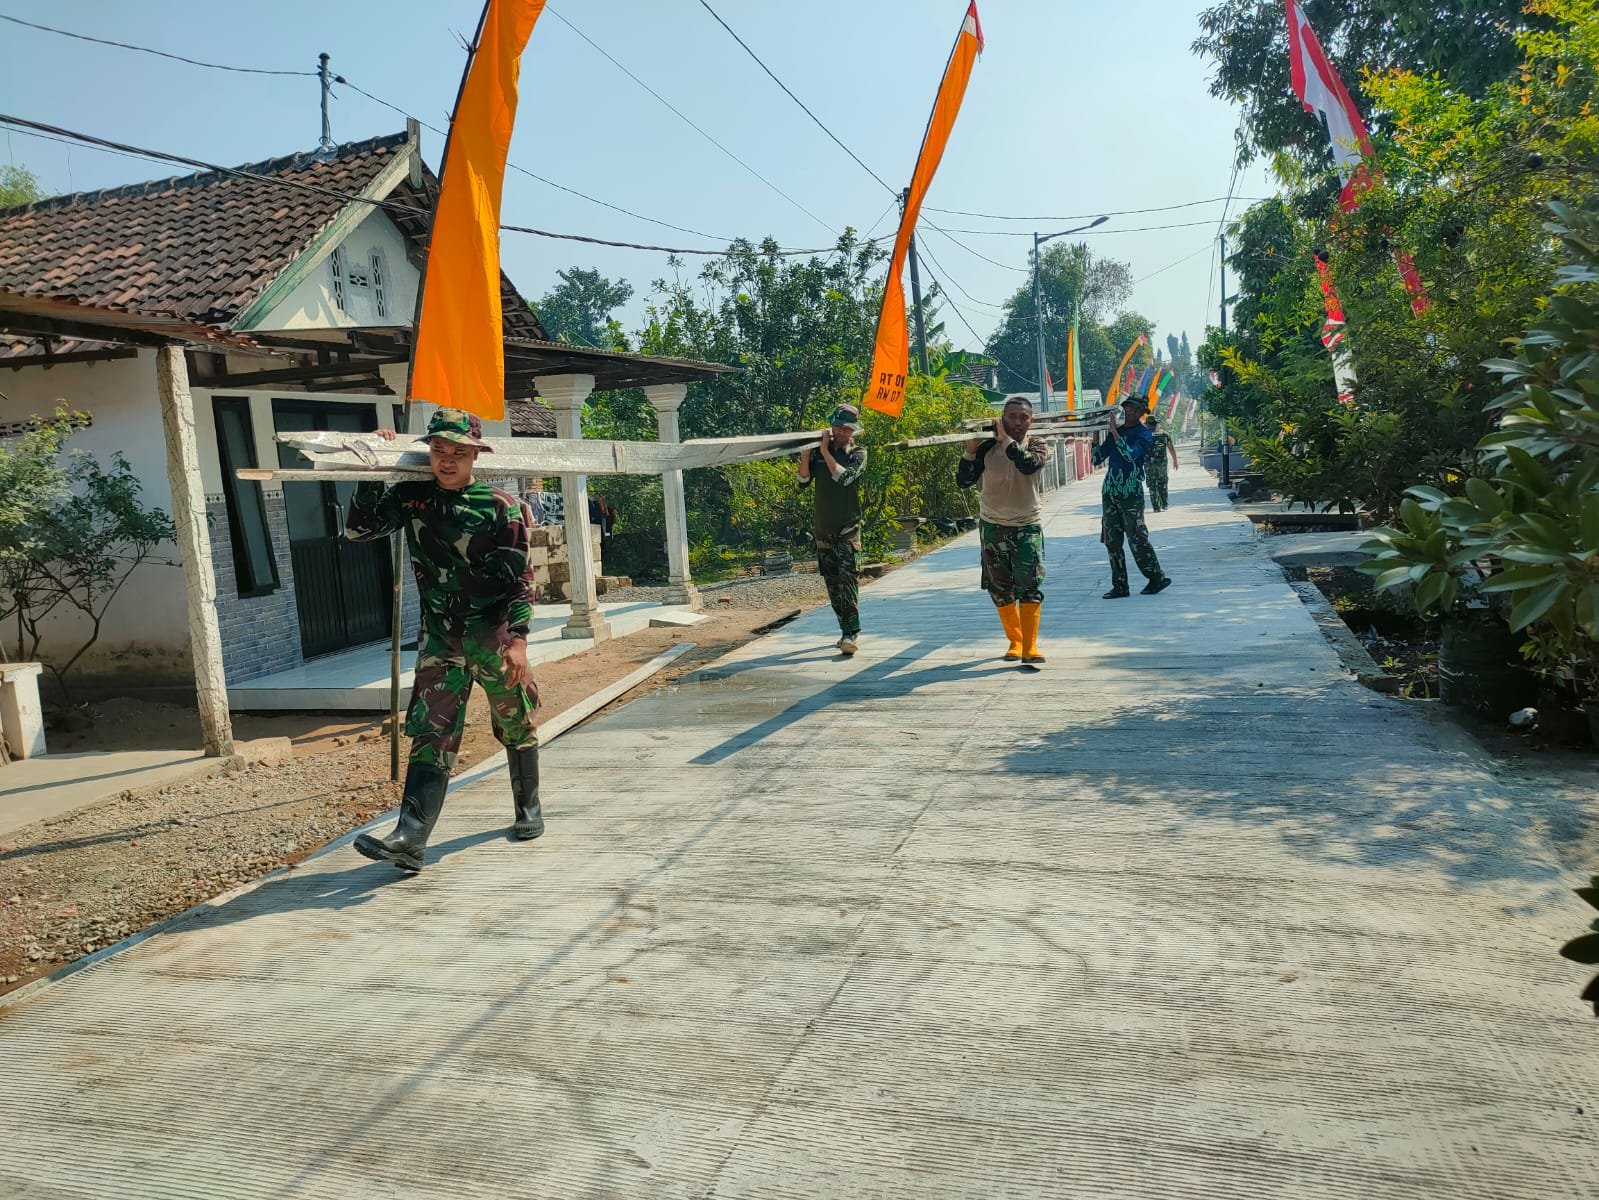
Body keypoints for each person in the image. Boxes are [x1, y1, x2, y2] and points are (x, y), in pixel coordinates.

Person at [343, 408, 543, 872]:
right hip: (440, 639)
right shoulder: (412, 499)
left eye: (458, 452)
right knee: (431, 731)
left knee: (516, 721)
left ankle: (528, 808)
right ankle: (410, 838)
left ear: (475, 455)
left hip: (493, 637)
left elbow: (521, 579)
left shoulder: (500, 506)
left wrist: (519, 640)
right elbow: (359, 529)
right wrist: (375, 465)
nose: (447, 460)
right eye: (438, 450)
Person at [956, 395, 1052, 665]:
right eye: (1012, 417)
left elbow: (1027, 464)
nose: (1018, 422)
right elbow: (964, 481)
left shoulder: (1038, 445)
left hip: (1027, 525)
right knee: (999, 587)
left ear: (1031, 420)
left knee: (1030, 584)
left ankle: (1030, 647)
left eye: (1024, 417)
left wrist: (1007, 441)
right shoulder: (987, 448)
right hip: (993, 525)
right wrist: (971, 451)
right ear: (1002, 418)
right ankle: (1015, 641)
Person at [798, 404, 869, 656]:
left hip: (848, 527)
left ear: (853, 431)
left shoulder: (858, 453)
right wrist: (806, 456)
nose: (840, 432)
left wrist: (825, 452)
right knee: (832, 584)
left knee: (848, 579)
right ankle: (844, 630)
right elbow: (803, 482)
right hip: (823, 528)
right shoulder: (818, 453)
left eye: (845, 428)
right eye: (837, 427)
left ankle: (851, 633)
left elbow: (844, 478)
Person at [1092, 396, 1171, 599]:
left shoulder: (1144, 434)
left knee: (1137, 538)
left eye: (1136, 410)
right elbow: (1096, 459)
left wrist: (1114, 432)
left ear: (1141, 414)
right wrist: (1095, 433)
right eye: (1129, 408)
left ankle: (1156, 577)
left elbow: (1129, 455)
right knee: (1112, 540)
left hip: (1131, 494)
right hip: (1110, 492)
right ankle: (1120, 585)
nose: (1131, 412)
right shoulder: (1117, 432)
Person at [1144, 417, 1180, 512]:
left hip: (1149, 465)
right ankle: (1164, 504)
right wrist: (1175, 461)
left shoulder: (1143, 435)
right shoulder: (1164, 435)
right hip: (1161, 465)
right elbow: (1171, 448)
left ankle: (1156, 507)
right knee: (1162, 483)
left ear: (1147, 425)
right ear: (1157, 424)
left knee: (1152, 485)